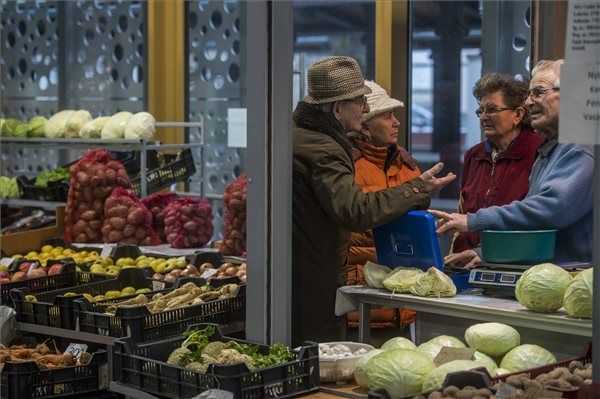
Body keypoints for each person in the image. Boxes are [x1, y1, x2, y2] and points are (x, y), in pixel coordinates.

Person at [293, 56, 455, 345]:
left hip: (308, 280)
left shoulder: (299, 137)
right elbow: (355, 211)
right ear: (337, 108)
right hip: (318, 283)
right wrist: (416, 189)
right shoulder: (325, 149)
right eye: (359, 102)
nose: (365, 109)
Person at [432, 59, 593, 264]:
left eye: (538, 92)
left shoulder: (581, 146)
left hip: (572, 279)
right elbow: (530, 225)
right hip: (541, 274)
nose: (528, 102)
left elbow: (549, 211)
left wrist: (475, 221)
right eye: (480, 111)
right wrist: (484, 253)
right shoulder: (549, 151)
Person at [445, 73, 544, 268]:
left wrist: (484, 252)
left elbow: (535, 219)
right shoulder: (474, 155)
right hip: (467, 267)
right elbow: (465, 212)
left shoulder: (538, 151)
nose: (483, 117)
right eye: (480, 111)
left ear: (518, 115)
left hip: (518, 265)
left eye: (491, 110)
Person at [346, 80, 421, 329]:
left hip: (405, 302)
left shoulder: (406, 164)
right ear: (365, 125)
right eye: (387, 116)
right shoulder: (345, 167)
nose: (396, 122)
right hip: (361, 305)